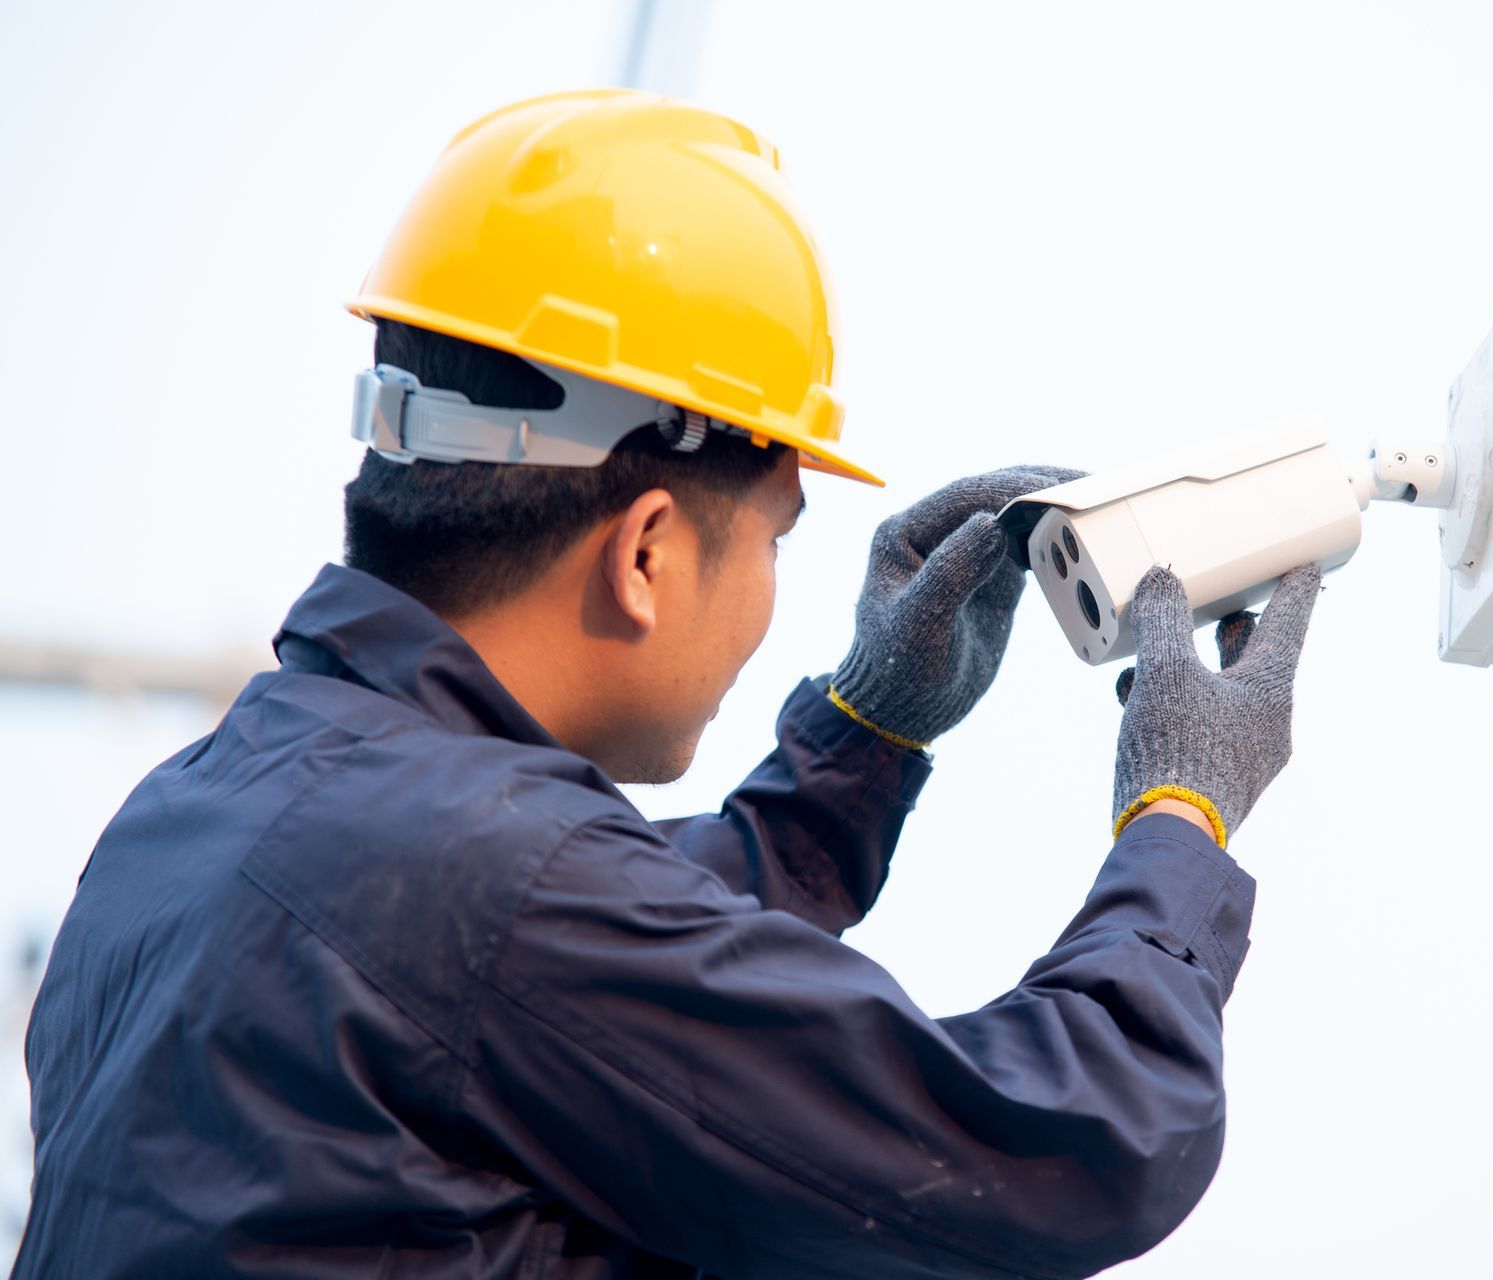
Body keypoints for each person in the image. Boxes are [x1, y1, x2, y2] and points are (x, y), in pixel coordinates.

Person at [13, 92, 1319, 1280]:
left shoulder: (187, 823)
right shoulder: (490, 896)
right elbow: (1069, 1145)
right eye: (774, 540)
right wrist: (1180, 824)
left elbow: (580, 960)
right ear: (644, 551)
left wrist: (864, 735)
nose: (773, 596)